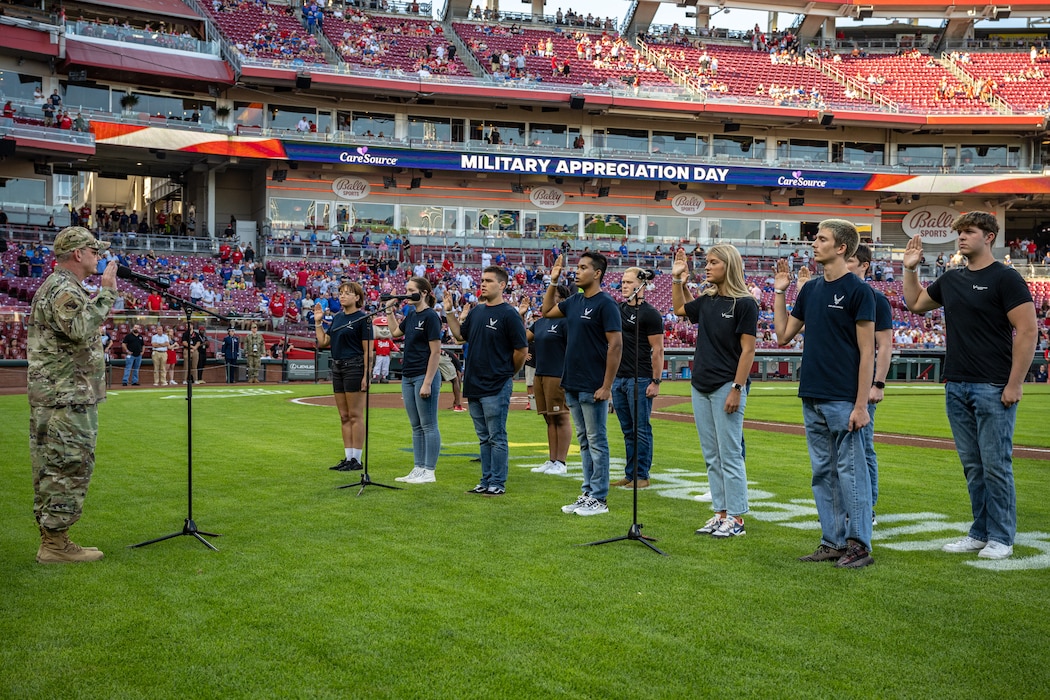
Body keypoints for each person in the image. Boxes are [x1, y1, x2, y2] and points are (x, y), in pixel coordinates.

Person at [903, 212, 1037, 561]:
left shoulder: (1006, 278)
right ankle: (980, 532)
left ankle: (1002, 537)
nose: (961, 237)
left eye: (969, 232)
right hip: (957, 384)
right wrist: (911, 269)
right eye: (959, 232)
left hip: (993, 385)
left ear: (989, 236)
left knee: (996, 465)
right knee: (973, 466)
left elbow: (1028, 330)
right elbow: (915, 304)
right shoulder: (951, 279)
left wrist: (1015, 384)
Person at [774, 219, 876, 569]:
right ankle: (832, 541)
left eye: (821, 239)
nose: (813, 244)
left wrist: (861, 404)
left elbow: (868, 352)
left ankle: (859, 544)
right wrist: (779, 292)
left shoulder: (859, 291)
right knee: (823, 472)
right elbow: (783, 335)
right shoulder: (811, 289)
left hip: (844, 397)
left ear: (842, 248)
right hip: (812, 394)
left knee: (851, 472)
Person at [28, 226, 117, 563]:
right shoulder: (63, 289)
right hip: (65, 396)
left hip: (62, 394)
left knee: (56, 467)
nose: (99, 257)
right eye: (94, 251)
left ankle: (55, 540)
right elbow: (80, 328)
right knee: (68, 466)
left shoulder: (62, 287)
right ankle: (54, 545)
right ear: (78, 254)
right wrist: (106, 294)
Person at [673, 245, 758, 538]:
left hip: (726, 384)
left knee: (730, 453)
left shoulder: (745, 303)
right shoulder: (709, 300)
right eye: (706, 262)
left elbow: (748, 350)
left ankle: (736, 517)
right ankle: (720, 512)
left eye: (713, 262)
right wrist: (677, 281)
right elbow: (680, 309)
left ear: (729, 265)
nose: (706, 267)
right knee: (712, 454)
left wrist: (737, 387)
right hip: (701, 384)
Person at [541, 252, 622, 517]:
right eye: (577, 267)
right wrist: (553, 282)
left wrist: (607, 386)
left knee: (597, 441)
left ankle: (599, 497)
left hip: (593, 384)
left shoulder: (606, 304)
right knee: (585, 441)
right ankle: (588, 492)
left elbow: (616, 345)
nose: (577, 271)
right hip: (573, 382)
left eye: (583, 267)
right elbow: (546, 312)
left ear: (597, 273)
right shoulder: (574, 301)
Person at [444, 267, 528, 496]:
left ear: (502, 285)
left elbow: (521, 349)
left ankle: (497, 483)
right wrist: (449, 312)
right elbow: (461, 336)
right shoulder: (478, 311)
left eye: (489, 281)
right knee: (483, 438)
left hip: (496, 384)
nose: (483, 284)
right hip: (475, 383)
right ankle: (486, 479)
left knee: (496, 436)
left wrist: (509, 372)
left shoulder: (509, 314)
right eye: (482, 280)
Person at [610, 267, 665, 490]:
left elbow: (658, 350)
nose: (623, 285)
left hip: (640, 378)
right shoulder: (617, 309)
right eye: (622, 281)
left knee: (640, 429)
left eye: (628, 281)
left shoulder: (650, 314)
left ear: (640, 285)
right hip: (619, 378)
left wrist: (656, 381)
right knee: (627, 430)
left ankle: (642, 475)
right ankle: (630, 474)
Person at [387, 277, 442, 484]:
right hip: (408, 375)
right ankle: (418, 468)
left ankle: (429, 471)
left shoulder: (431, 317)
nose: (407, 293)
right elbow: (394, 333)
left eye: (411, 290)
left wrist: (428, 381)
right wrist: (389, 311)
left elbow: (435, 352)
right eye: (406, 290)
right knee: (416, 426)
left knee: (428, 425)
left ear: (424, 293)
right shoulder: (411, 315)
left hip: (423, 374)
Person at [316, 282, 374, 472]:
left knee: (355, 415)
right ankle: (348, 457)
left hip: (355, 366)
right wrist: (318, 322)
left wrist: (367, 374)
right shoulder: (338, 317)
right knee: (344, 416)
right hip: (338, 366)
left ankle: (356, 459)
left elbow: (368, 351)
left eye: (347, 293)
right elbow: (324, 341)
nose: (342, 296)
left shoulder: (363, 319)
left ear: (357, 297)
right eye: (340, 293)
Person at [527, 285, 573, 476]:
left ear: (561, 299)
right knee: (549, 418)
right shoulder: (540, 323)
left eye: (551, 296)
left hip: (557, 374)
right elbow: (521, 339)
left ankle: (561, 462)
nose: (545, 299)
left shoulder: (566, 321)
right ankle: (552, 459)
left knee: (560, 416)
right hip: (541, 374)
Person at [372, 318, 394, 383]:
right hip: (379, 355)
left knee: (385, 367)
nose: (385, 331)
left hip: (386, 356)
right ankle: (375, 377)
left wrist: (398, 350)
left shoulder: (389, 341)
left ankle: (383, 378)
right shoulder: (376, 341)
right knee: (377, 366)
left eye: (387, 328)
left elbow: (393, 347)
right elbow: (371, 347)